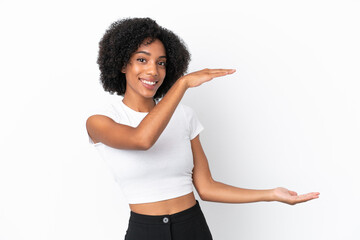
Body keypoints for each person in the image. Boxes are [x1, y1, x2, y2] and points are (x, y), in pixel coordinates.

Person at [86, 17, 320, 240]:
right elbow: (142, 139)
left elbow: (207, 187)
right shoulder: (100, 122)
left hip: (193, 227)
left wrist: (271, 194)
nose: (153, 71)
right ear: (121, 63)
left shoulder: (184, 116)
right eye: (142, 60)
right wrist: (183, 83)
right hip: (145, 231)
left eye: (161, 63)